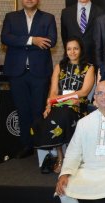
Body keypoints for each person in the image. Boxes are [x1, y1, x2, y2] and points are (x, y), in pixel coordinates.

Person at [55, 81, 105, 203]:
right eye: (100, 93)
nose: (104, 97)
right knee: (63, 190)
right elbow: (73, 153)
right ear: (95, 97)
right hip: (87, 170)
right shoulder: (84, 123)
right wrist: (65, 173)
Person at [1, 0, 57, 158]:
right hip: (17, 72)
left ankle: (41, 144)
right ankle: (26, 145)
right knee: (22, 110)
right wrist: (32, 40)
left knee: (39, 109)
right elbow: (5, 38)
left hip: (39, 72)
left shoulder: (48, 18)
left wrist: (21, 41)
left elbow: (51, 41)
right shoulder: (11, 17)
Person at [33, 38, 95, 174]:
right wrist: (48, 105)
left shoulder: (89, 67)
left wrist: (57, 99)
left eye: (76, 48)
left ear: (81, 50)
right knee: (50, 116)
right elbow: (53, 91)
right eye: (69, 49)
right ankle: (61, 157)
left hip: (78, 104)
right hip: (59, 104)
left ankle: (71, 159)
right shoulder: (59, 66)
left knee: (65, 114)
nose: (72, 52)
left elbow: (84, 92)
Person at [60, 0, 105, 64]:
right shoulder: (66, 13)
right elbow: (64, 37)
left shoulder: (102, 12)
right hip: (73, 60)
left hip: (95, 60)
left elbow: (103, 38)